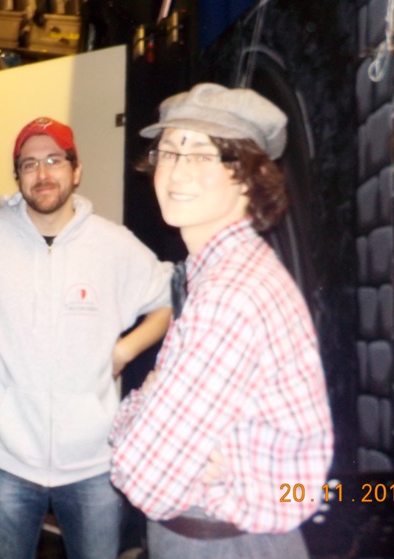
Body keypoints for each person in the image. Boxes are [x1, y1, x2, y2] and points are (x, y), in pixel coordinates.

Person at [0, 116, 173, 559]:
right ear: (18, 177)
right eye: (29, 164)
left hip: (93, 462)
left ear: (75, 170)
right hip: (9, 461)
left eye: (54, 160)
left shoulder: (113, 245)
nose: (42, 173)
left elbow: (165, 300)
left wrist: (126, 349)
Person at [109, 83, 334, 558]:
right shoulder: (224, 269)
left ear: (249, 177)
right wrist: (148, 408)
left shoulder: (229, 295)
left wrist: (134, 412)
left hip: (226, 544)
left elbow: (142, 476)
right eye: (170, 150)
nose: (176, 171)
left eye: (202, 154)